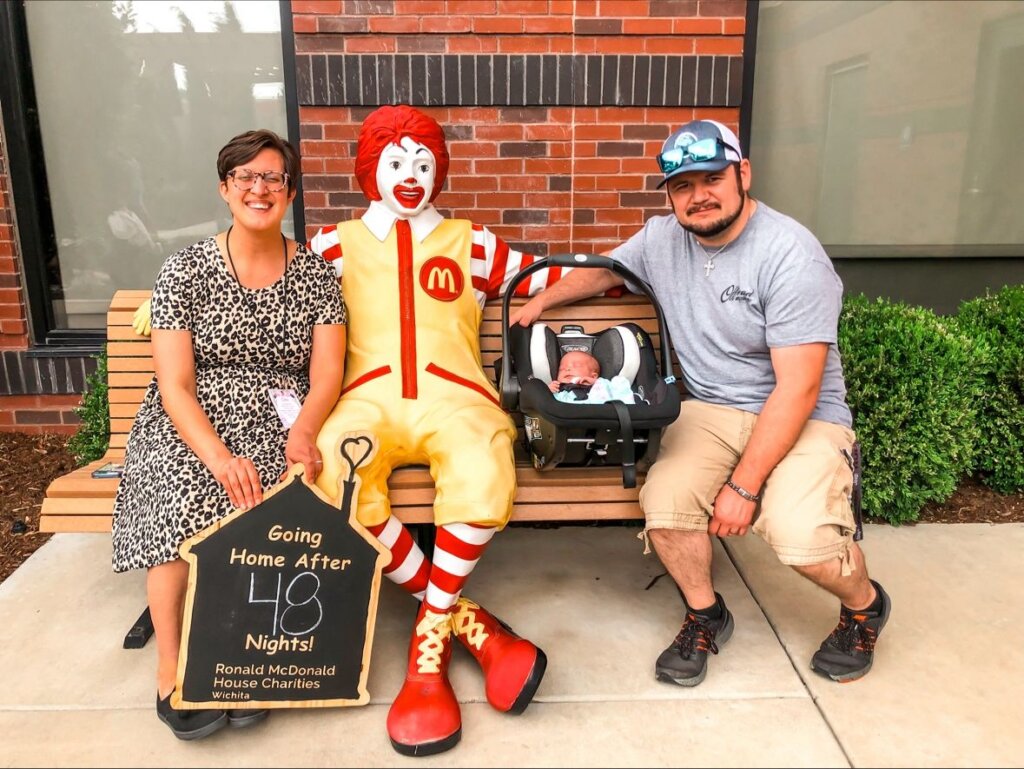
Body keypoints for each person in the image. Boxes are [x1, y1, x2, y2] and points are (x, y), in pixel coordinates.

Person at [512, 119, 891, 688]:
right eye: (682, 186)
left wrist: (743, 487)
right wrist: (541, 299)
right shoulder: (664, 238)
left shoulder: (791, 255)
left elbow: (799, 389)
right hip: (711, 409)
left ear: (743, 173)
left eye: (712, 178)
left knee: (798, 536)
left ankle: (864, 606)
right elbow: (601, 273)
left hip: (803, 417)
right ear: (670, 194)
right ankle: (706, 613)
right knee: (664, 504)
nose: (699, 196)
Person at [306, 105, 570, 757]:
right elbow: (264, 287)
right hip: (364, 399)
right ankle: (468, 621)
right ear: (371, 169)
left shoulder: (471, 242)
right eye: (396, 163)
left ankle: (427, 650)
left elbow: (548, 275)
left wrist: (619, 270)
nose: (411, 176)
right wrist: (169, 305)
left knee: (486, 462)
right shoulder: (333, 245)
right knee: (332, 470)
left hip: (456, 395)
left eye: (424, 164)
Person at [112, 129, 347, 740]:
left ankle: (244, 657)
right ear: (225, 189)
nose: (259, 188)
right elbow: (175, 384)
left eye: (272, 177)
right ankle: (172, 666)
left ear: (289, 192)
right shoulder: (184, 269)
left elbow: (326, 374)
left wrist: (304, 432)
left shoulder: (318, 275)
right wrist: (216, 456)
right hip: (190, 421)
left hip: (277, 418)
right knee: (183, 492)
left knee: (277, 499)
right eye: (245, 177)